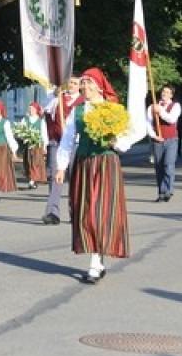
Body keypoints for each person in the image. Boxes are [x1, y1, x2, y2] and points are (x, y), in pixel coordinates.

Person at [55, 68, 132, 284]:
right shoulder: (77, 111)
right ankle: (96, 259)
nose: (85, 88)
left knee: (101, 213)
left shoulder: (113, 109)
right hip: (84, 164)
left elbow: (126, 141)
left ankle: (95, 263)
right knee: (86, 212)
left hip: (106, 164)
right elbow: (68, 139)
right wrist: (61, 167)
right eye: (83, 84)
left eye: (89, 84)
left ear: (99, 86)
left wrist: (114, 140)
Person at [42, 74, 84, 224]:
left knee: (75, 179)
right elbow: (46, 109)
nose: (71, 85)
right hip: (57, 142)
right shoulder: (58, 98)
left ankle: (75, 212)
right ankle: (52, 212)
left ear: (79, 86)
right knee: (55, 177)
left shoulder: (83, 101)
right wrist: (55, 94)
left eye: (74, 83)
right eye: (69, 82)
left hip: (77, 145)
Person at [147, 86, 181, 202]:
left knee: (168, 165)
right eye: (163, 91)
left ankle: (169, 190)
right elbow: (148, 123)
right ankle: (161, 192)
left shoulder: (175, 106)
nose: (164, 94)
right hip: (158, 140)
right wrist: (153, 135)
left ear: (171, 95)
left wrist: (160, 111)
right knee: (159, 166)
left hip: (171, 140)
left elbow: (171, 119)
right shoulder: (152, 107)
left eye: (167, 92)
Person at [20, 101, 49, 190]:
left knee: (36, 163)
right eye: (30, 109)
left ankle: (32, 180)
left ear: (36, 110)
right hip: (28, 145)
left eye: (32, 109)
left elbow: (44, 134)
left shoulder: (41, 121)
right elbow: (21, 131)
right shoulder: (25, 120)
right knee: (28, 162)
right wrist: (25, 136)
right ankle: (31, 179)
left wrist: (45, 146)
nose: (31, 110)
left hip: (37, 145)